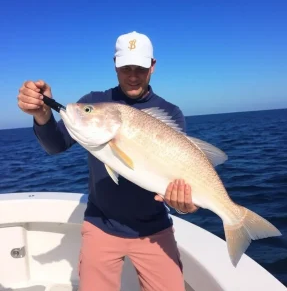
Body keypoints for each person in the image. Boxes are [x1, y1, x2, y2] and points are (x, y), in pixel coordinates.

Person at [17, 31, 199, 291]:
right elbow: (56, 145)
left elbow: (176, 178)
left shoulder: (170, 113)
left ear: (153, 66)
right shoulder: (92, 103)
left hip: (155, 229)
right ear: (115, 64)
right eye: (126, 67)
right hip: (100, 225)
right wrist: (42, 116)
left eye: (140, 67)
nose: (133, 75)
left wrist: (182, 204)